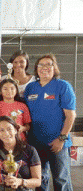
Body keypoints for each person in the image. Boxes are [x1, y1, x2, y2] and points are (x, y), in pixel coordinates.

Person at [24, 54, 76, 191]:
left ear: (55, 68)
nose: (45, 68)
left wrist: (62, 139)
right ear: (36, 69)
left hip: (58, 143)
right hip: (36, 143)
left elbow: (71, 115)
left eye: (49, 64)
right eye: (41, 65)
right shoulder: (30, 88)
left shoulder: (63, 86)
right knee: (40, 180)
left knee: (61, 179)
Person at [0, 116, 41, 191]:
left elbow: (38, 181)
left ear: (16, 130)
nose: (6, 133)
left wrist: (20, 182)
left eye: (9, 129)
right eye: (2, 130)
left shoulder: (29, 150)